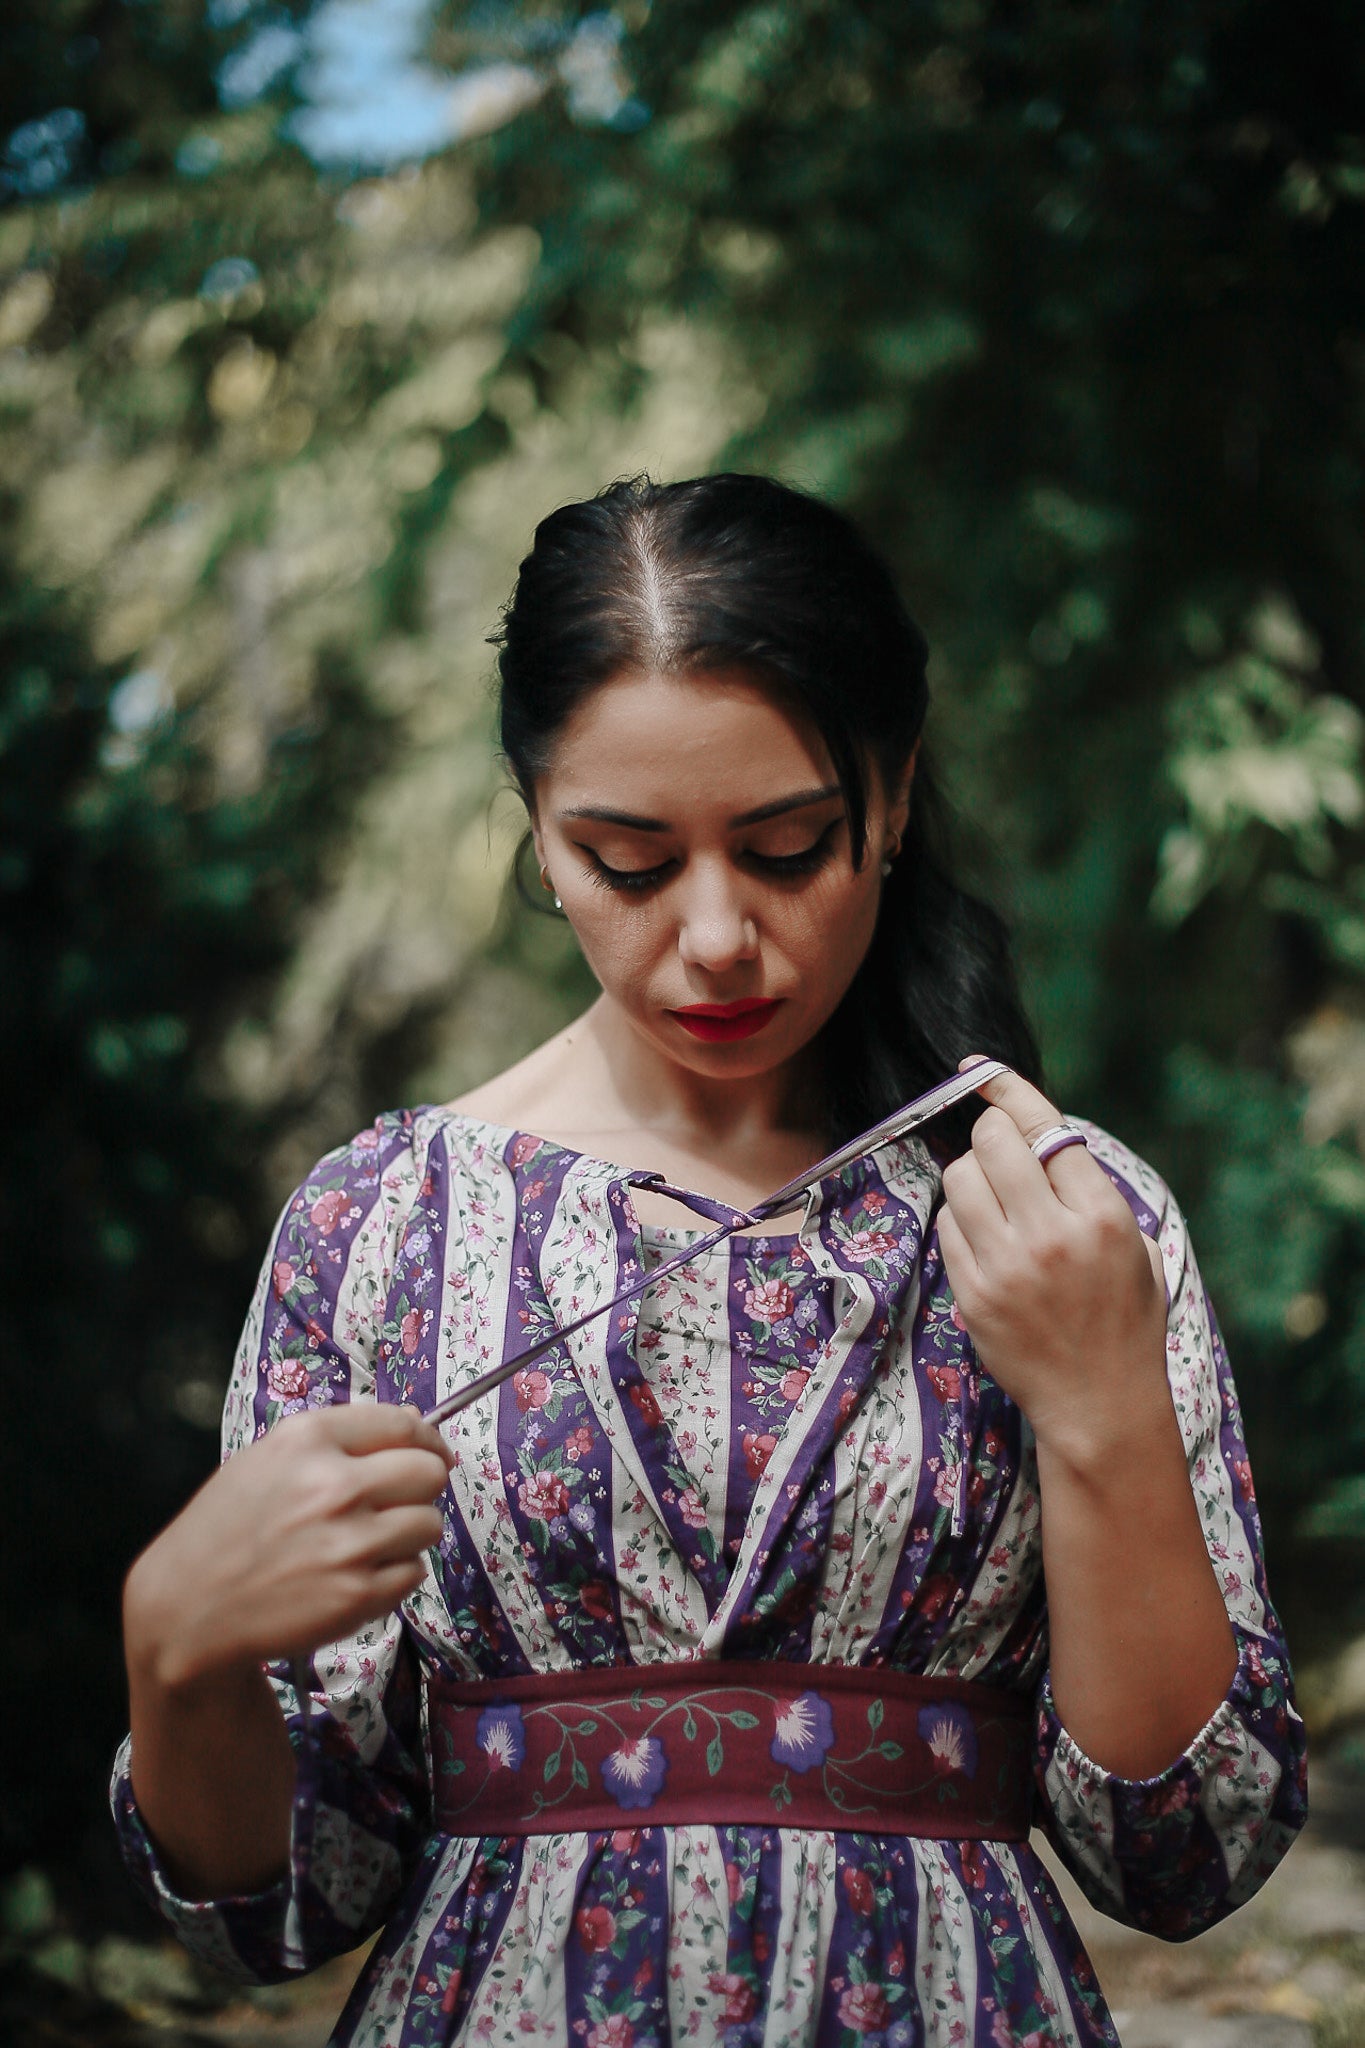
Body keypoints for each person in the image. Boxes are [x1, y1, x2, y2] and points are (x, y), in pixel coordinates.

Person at [113, 473, 1306, 2048]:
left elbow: (1180, 1856)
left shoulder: (1064, 1228)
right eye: (628, 860)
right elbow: (288, 1905)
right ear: (538, 833)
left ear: (888, 802)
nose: (717, 937)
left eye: (787, 846)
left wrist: (1098, 1410)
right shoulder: (380, 1229)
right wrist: (175, 1651)